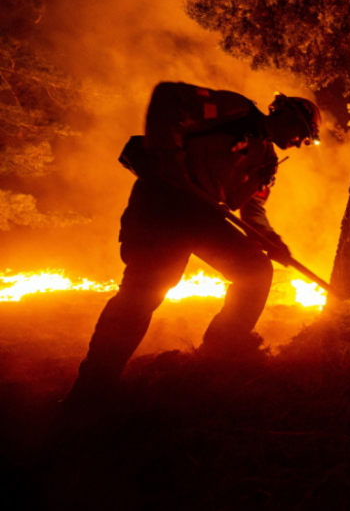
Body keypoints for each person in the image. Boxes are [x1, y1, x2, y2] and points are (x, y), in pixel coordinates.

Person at [63, 81, 322, 406]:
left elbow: (253, 208)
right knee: (144, 291)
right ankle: (92, 388)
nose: (299, 144)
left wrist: (271, 239)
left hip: (203, 215)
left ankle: (215, 357)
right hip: (164, 201)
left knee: (254, 270)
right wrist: (170, 156)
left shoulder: (267, 162)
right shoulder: (235, 110)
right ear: (287, 116)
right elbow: (170, 96)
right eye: (303, 134)